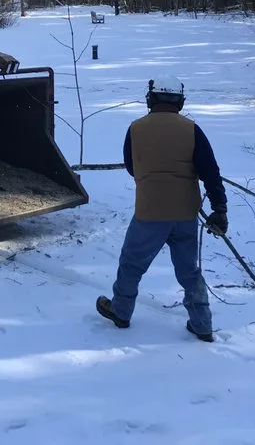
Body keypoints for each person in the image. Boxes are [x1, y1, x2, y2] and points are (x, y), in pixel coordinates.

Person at [96, 75, 229, 342]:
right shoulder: (192, 129)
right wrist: (220, 209)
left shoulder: (135, 129)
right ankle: (202, 324)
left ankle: (121, 311)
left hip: (150, 212)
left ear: (151, 99)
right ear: (180, 101)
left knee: (132, 265)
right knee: (189, 271)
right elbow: (210, 172)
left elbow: (132, 167)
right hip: (185, 214)